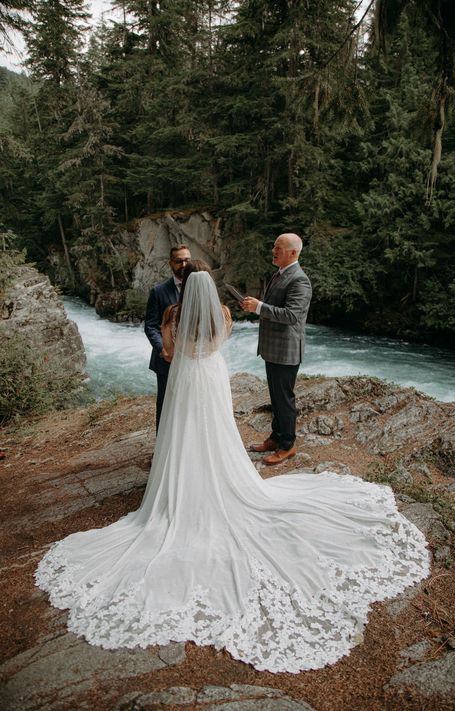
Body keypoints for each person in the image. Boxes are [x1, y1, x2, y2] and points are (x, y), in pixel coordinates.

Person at [36, 266, 430, 674]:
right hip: (212, 376)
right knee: (217, 431)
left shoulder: (172, 315)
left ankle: (180, 487)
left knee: (183, 433)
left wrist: (180, 346)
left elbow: (169, 353)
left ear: (187, 289)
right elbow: (220, 345)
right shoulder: (223, 315)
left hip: (187, 379)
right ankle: (222, 479)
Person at [241, 233, 312, 465]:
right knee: (276, 398)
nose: (273, 250)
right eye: (274, 246)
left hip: (286, 350)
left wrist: (259, 307)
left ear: (293, 252)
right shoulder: (279, 274)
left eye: (278, 247)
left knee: (284, 399)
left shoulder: (300, 280)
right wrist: (256, 306)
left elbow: (292, 315)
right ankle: (275, 437)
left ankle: (287, 445)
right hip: (273, 349)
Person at [144, 244, 191, 431]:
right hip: (166, 359)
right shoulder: (158, 291)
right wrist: (162, 349)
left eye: (187, 260)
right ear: (171, 263)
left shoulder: (199, 288)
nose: (184, 264)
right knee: (165, 405)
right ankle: (162, 451)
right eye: (179, 261)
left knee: (189, 404)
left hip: (191, 358)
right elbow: (150, 325)